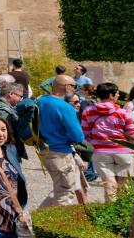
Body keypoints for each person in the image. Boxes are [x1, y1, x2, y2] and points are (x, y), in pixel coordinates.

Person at [32, 73, 88, 209]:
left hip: (44, 150)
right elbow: (78, 137)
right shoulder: (65, 107)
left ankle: (36, 219)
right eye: (74, 87)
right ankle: (55, 227)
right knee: (65, 192)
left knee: (59, 188)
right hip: (60, 153)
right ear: (67, 87)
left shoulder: (40, 101)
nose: (75, 90)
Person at [80, 82, 134, 203]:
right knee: (124, 187)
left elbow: (85, 134)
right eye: (117, 93)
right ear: (111, 96)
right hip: (124, 152)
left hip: (100, 153)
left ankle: (111, 213)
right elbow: (131, 135)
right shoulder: (123, 113)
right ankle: (123, 214)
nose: (118, 95)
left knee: (109, 184)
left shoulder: (88, 111)